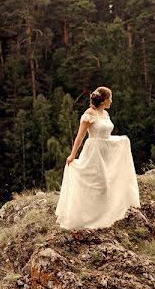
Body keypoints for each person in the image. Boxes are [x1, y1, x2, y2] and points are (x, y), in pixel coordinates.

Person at [55, 87, 141, 230]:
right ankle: (89, 218)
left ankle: (105, 215)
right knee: (99, 184)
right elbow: (80, 136)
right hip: (94, 152)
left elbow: (106, 135)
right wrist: (72, 154)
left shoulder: (105, 114)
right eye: (110, 98)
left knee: (107, 182)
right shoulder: (90, 114)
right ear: (105, 100)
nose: (112, 101)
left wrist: (121, 141)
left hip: (106, 151)